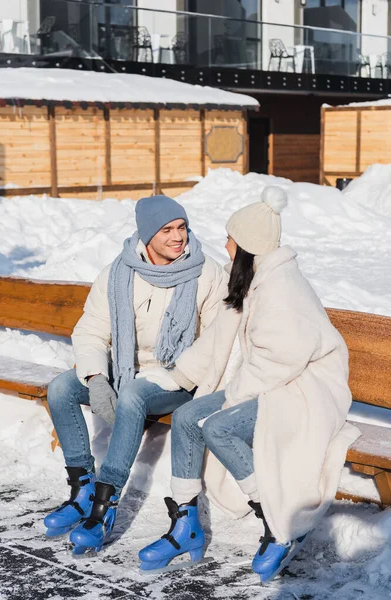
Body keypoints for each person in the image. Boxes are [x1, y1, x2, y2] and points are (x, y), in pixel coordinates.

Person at [138, 187, 360, 582]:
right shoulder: (253, 278)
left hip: (303, 388)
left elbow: (283, 356)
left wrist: (234, 397)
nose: (224, 244)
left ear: (246, 246)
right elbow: (221, 338)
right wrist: (182, 375)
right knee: (189, 417)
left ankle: (276, 524)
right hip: (269, 381)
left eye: (230, 238)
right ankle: (184, 525)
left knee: (220, 427)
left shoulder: (281, 286)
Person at [44, 195, 227, 555]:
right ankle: (81, 491)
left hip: (178, 376)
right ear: (146, 235)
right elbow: (92, 330)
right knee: (62, 387)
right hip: (128, 366)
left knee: (132, 396)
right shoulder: (119, 272)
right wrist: (97, 378)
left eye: (182, 228)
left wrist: (177, 376)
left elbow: (218, 343)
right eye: (167, 230)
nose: (179, 237)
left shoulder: (207, 273)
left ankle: (103, 506)